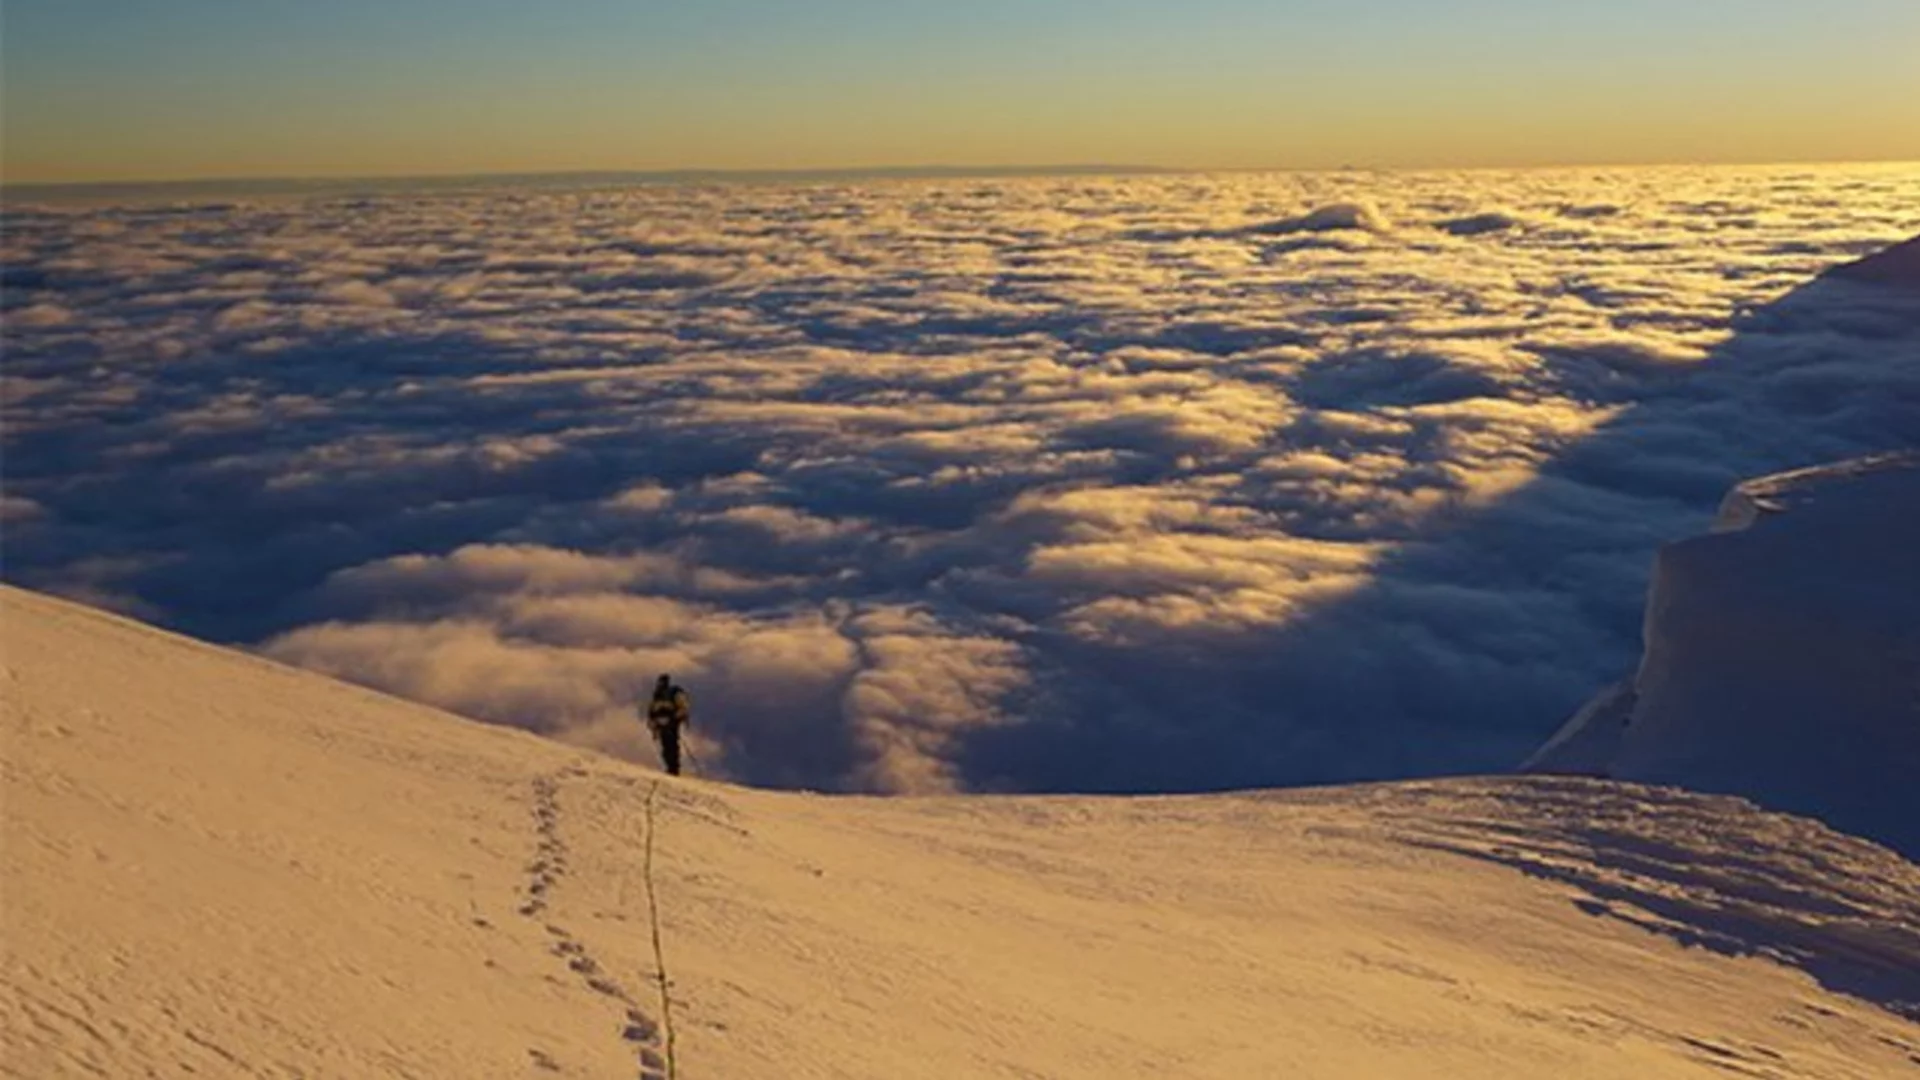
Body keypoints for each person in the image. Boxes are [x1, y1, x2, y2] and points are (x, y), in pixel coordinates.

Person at [644, 674, 691, 776]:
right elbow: (651, 712)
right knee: (667, 745)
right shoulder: (658, 695)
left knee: (671, 745)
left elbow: (682, 707)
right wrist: (653, 726)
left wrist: (676, 718)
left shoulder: (672, 693)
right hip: (664, 724)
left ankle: (673, 767)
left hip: (670, 723)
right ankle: (671, 767)